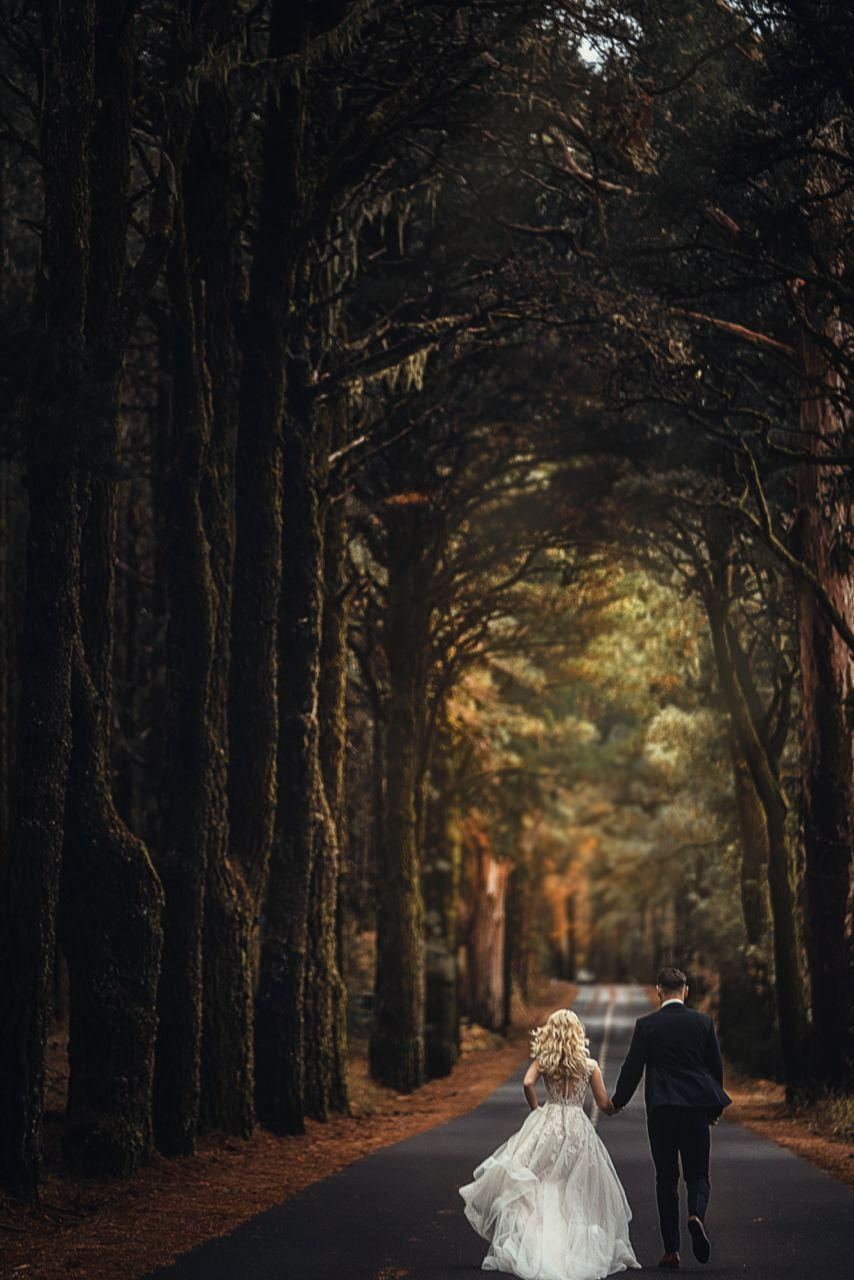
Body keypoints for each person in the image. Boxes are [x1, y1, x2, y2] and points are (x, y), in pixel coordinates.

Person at [460, 1008, 640, 1280]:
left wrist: (536, 1108)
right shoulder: (589, 1066)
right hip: (578, 1126)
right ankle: (573, 1245)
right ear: (577, 1033)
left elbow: (527, 1082)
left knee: (543, 1182)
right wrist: (615, 1107)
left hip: (550, 1122)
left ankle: (538, 1242)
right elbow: (603, 1104)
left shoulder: (545, 1061)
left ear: (551, 1033)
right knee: (574, 1185)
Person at [611, 968, 732, 1270]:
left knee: (666, 1178)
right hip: (694, 1109)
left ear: (658, 991)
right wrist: (713, 1110)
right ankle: (695, 1215)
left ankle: (671, 1251)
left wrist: (616, 1103)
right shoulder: (702, 1023)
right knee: (698, 1174)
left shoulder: (647, 1025)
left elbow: (632, 1069)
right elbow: (715, 1071)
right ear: (686, 991)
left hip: (662, 1110)